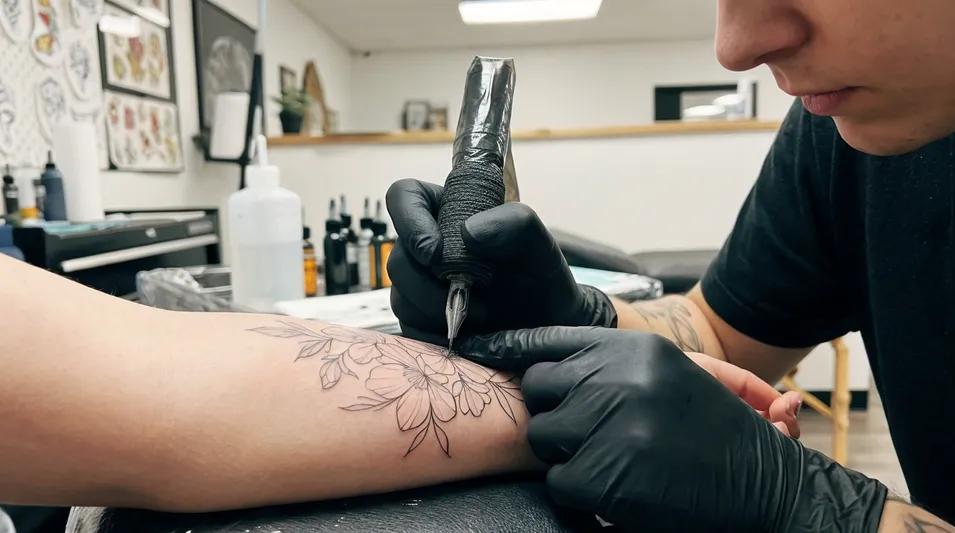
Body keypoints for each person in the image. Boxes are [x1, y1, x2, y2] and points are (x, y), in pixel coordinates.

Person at [385, 0, 955, 530]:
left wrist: (814, 506)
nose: (736, 47)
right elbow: (716, 331)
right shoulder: (841, 132)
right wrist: (580, 314)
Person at [0, 252, 799, 513]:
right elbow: (160, 387)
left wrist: (829, 512)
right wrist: (586, 325)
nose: (736, 47)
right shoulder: (825, 139)